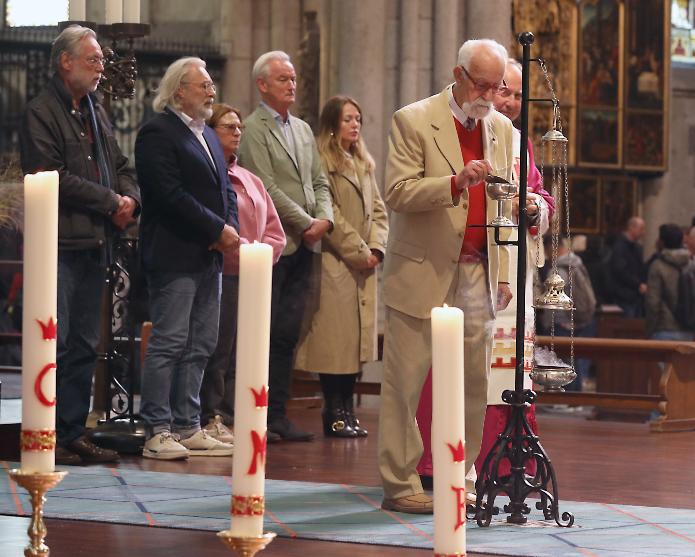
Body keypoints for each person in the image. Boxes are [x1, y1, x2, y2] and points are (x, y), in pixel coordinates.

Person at [378, 38, 514, 514]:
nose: (490, 95)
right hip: (422, 268)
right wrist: (455, 183)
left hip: (477, 269)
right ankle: (400, 483)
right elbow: (396, 191)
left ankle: (461, 474)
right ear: (458, 75)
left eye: (497, 87)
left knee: (473, 381)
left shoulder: (502, 128)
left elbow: (505, 200)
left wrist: (510, 253)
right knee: (405, 382)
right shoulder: (412, 119)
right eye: (482, 84)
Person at [416, 56, 554, 485]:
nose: (509, 101)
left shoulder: (519, 141)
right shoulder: (465, 132)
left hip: (514, 269)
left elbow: (539, 195)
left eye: (515, 93)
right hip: (472, 267)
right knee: (458, 366)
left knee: (508, 368)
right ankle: (444, 462)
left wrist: (535, 208)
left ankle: (507, 461)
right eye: (502, 91)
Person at [19, 25, 140, 465]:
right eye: (92, 60)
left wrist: (131, 199)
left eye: (102, 61)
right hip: (61, 244)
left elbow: (122, 162)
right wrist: (112, 202)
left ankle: (72, 431)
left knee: (86, 343)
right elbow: (52, 175)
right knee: (57, 339)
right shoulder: (40, 111)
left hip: (96, 242)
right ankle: (45, 432)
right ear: (65, 61)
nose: (100, 67)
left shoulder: (96, 110)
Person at [135, 57, 238, 460]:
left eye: (211, 85)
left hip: (207, 256)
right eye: (204, 85)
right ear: (179, 90)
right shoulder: (157, 133)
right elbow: (168, 194)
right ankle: (157, 429)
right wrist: (216, 229)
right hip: (175, 253)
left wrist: (226, 226)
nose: (212, 91)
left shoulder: (208, 135)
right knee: (169, 342)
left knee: (201, 343)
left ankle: (187, 425)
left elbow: (225, 186)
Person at [238, 51, 334, 442]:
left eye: (293, 78)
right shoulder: (253, 128)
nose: (291, 85)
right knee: (264, 332)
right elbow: (265, 185)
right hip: (275, 245)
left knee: (286, 335)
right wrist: (306, 222)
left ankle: (277, 414)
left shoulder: (303, 129)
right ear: (262, 84)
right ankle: (253, 413)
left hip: (306, 246)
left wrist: (324, 218)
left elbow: (320, 180)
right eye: (282, 79)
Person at [294, 96, 388, 438]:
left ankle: (348, 409)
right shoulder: (323, 161)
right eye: (348, 118)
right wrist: (359, 251)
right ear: (332, 123)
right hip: (337, 262)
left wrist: (377, 247)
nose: (355, 124)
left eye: (358, 119)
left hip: (364, 265)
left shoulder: (363, 163)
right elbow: (329, 211)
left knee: (356, 345)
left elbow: (379, 210)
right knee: (336, 346)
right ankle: (333, 411)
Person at [199, 103, 286, 443]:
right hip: (223, 272)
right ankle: (213, 415)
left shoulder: (251, 179)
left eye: (239, 128)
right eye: (229, 127)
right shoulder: (209, 176)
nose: (237, 133)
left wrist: (260, 255)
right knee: (218, 349)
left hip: (254, 277)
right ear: (210, 131)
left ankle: (240, 415)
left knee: (245, 351)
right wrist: (241, 252)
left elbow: (275, 230)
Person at [541, 236, 597, 391]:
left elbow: (553, 298)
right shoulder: (577, 263)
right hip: (577, 318)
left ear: (552, 249)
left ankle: (568, 397)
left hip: (561, 319)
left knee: (563, 361)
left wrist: (547, 320)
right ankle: (574, 397)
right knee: (573, 360)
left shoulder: (558, 269)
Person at [645, 224, 693, 341]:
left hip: (664, 327)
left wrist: (650, 329)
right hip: (689, 328)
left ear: (662, 242)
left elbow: (653, 303)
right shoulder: (691, 264)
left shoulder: (658, 266)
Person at [606, 216, 647, 317]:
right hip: (624, 295)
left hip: (636, 295)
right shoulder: (620, 247)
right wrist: (638, 284)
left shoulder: (637, 247)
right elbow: (620, 271)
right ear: (631, 228)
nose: (643, 232)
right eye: (641, 229)